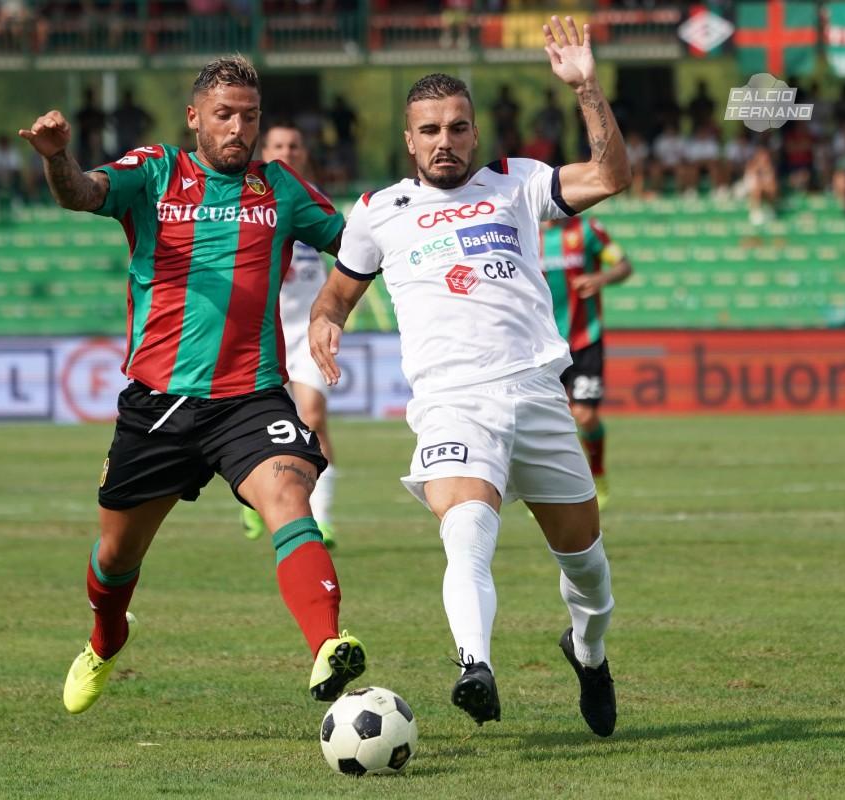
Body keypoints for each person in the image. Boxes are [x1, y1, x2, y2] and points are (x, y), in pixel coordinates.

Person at [18, 55, 366, 716]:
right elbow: (81, 193)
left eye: (250, 117)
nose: (239, 129)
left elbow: (356, 251)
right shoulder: (154, 173)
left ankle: (327, 642)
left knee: (290, 495)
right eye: (225, 115)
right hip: (158, 402)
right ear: (194, 118)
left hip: (251, 397)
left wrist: (329, 311)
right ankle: (104, 640)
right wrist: (56, 159)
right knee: (116, 557)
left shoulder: (282, 188)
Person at [308, 16, 627, 737]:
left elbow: (610, 175)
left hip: (538, 393)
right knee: (466, 536)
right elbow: (339, 292)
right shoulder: (377, 213)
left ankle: (589, 651)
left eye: (456, 127)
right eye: (429, 130)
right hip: (452, 404)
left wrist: (586, 89)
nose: (443, 141)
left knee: (590, 575)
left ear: (474, 133)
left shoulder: (519, 184)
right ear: (409, 138)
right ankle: (473, 666)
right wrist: (325, 319)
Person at [240, 122, 338, 548]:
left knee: (313, 417)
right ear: (264, 149)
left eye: (294, 144)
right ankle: (254, 501)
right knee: (251, 422)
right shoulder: (248, 197)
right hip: (260, 329)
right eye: (278, 145)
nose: (287, 151)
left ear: (304, 151)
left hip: (305, 332)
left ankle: (322, 517)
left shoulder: (314, 199)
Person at [540, 215, 632, 511]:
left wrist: (600, 278)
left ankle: (598, 473)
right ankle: (540, 490)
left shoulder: (587, 230)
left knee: (585, 416)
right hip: (541, 344)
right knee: (541, 422)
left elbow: (623, 265)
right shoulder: (523, 231)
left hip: (584, 338)